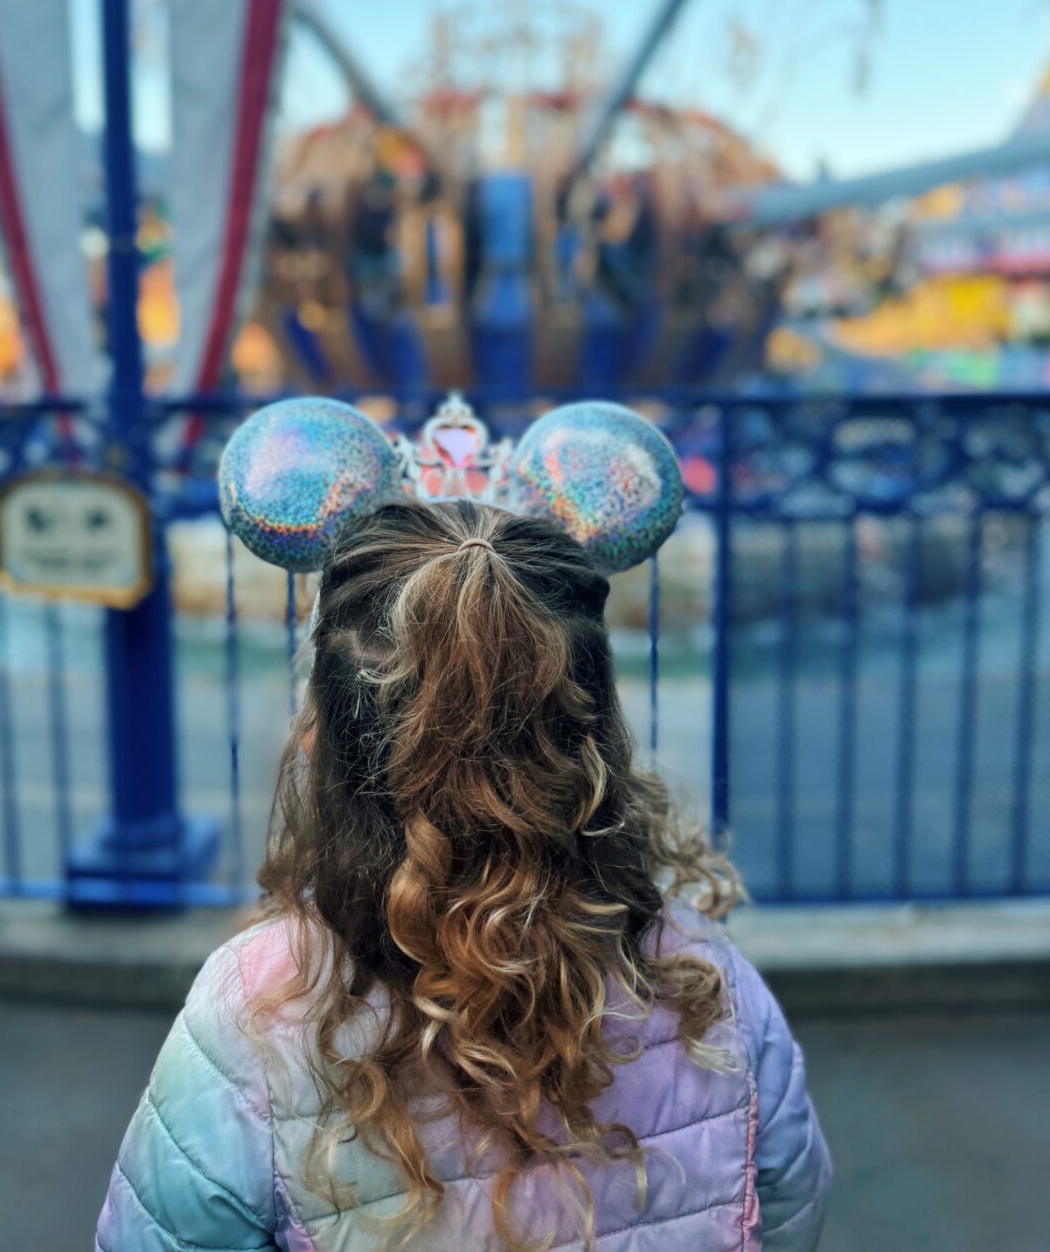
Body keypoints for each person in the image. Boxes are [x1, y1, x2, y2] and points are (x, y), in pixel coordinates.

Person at [97, 499, 831, 1251]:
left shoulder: (256, 1011)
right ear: (595, 741)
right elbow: (786, 1211)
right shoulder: (707, 986)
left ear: (322, 739)